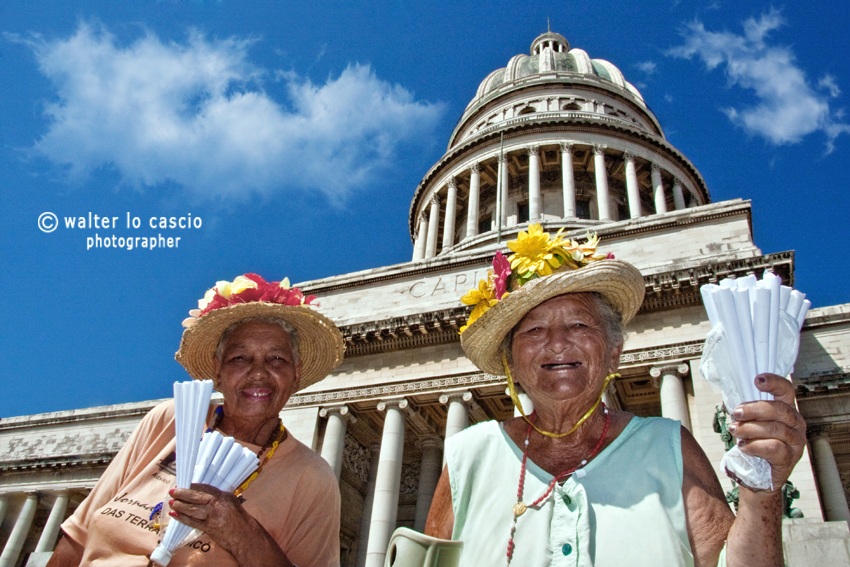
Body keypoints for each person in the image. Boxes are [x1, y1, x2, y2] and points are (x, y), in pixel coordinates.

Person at [424, 224, 807, 566]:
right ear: (511, 363)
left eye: (579, 324)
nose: (557, 343)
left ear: (613, 353)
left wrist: (761, 494)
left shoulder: (668, 446)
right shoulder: (469, 457)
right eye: (533, 330)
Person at [47, 273, 345, 567]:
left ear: (295, 375)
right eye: (239, 358)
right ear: (218, 371)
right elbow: (77, 540)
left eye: (277, 360)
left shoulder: (311, 478)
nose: (258, 373)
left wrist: (244, 533)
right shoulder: (168, 421)